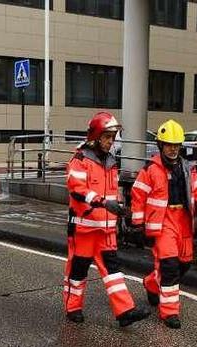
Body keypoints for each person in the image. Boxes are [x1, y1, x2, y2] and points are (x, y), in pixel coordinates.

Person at [64, 111, 150, 328]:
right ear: (95, 136)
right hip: (83, 229)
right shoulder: (80, 159)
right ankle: (73, 307)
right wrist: (102, 202)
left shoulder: (111, 161)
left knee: (113, 271)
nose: (111, 142)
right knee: (78, 271)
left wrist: (120, 212)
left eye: (112, 137)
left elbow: (113, 194)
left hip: (105, 230)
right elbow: (77, 189)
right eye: (107, 137)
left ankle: (124, 311)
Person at [130, 119, 197, 329]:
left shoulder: (188, 169)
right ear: (160, 145)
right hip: (163, 222)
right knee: (169, 267)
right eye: (168, 144)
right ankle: (169, 313)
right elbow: (138, 195)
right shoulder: (150, 169)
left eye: (176, 145)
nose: (173, 149)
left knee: (184, 264)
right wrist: (138, 224)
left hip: (184, 221)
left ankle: (151, 283)